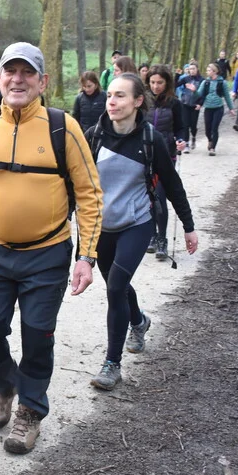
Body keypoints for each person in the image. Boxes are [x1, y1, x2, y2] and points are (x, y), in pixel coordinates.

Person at [0, 42, 103, 455]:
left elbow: (89, 193)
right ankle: (4, 385)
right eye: (10, 71)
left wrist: (86, 256)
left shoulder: (63, 128)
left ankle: (31, 410)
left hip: (47, 252)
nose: (18, 79)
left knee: (37, 336)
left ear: (42, 81)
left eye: (27, 72)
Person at [85, 73, 198, 391]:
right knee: (117, 286)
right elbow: (74, 183)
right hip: (101, 227)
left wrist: (188, 227)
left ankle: (112, 364)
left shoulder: (151, 139)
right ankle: (139, 320)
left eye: (120, 95)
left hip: (136, 223)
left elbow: (172, 185)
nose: (112, 101)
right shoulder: (94, 136)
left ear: (137, 101)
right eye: (110, 95)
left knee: (115, 287)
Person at [146, 66, 187, 260]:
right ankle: (152, 235)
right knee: (148, 199)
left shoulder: (174, 103)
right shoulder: (142, 101)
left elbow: (180, 127)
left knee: (160, 198)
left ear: (167, 83)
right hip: (145, 155)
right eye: (152, 82)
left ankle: (162, 239)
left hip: (166, 155)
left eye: (160, 82)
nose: (156, 86)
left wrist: (181, 140)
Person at [194, 63, 236, 155]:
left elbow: (227, 96)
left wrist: (231, 108)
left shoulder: (222, 82)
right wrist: (194, 91)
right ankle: (210, 140)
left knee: (214, 128)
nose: (207, 72)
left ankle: (213, 148)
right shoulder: (205, 82)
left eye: (208, 70)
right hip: (208, 108)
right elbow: (199, 94)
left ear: (214, 71)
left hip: (218, 108)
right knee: (207, 130)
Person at [175, 62, 203, 150]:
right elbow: (175, 85)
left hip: (195, 105)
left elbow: (203, 94)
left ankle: (193, 136)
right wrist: (177, 75)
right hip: (185, 104)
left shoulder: (202, 80)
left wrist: (200, 104)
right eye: (190, 69)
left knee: (193, 126)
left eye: (193, 68)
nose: (192, 70)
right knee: (185, 125)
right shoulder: (186, 78)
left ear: (197, 69)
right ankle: (186, 143)